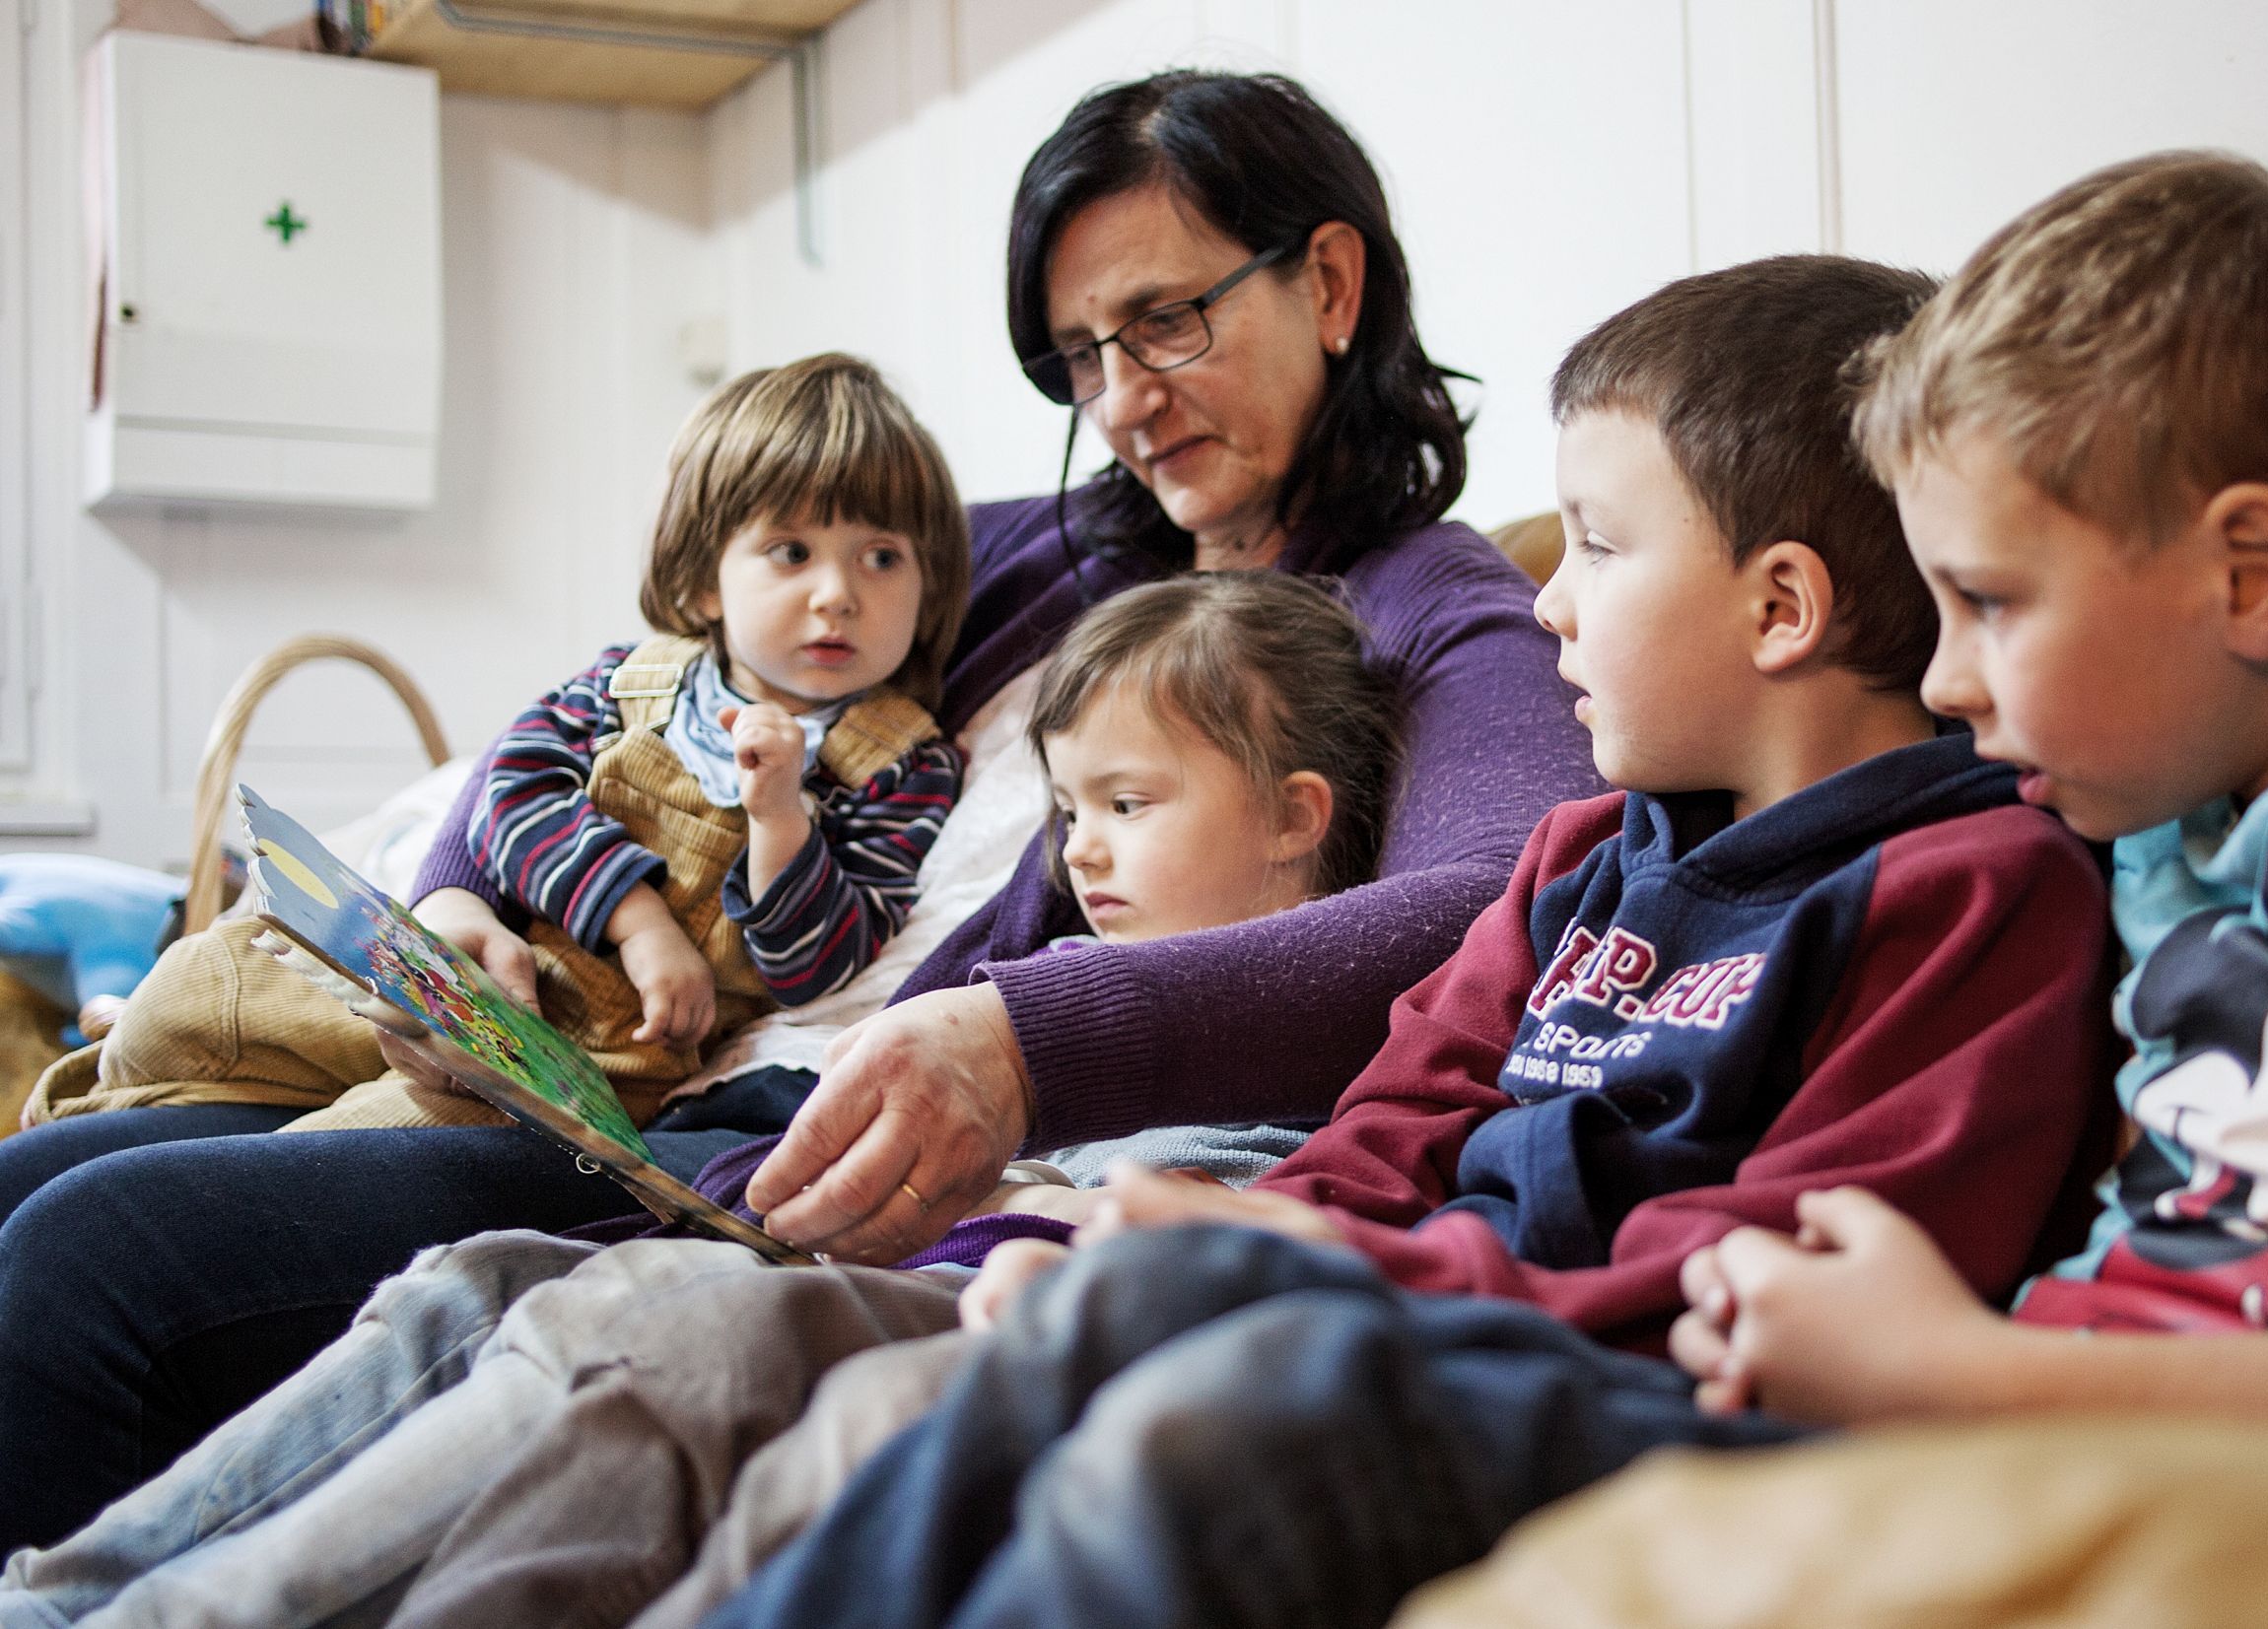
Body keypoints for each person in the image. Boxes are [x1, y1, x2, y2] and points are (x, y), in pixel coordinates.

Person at [714, 153, 2268, 1629]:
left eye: (1987, 602)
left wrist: (1341, 1275)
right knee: (1081, 1319)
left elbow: (1822, 1260)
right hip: (1844, 1366)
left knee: (1254, 1405)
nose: (1950, 675)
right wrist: (1235, 1234)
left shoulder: (2019, 866)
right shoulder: (2141, 831)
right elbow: (1400, 1107)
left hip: (1802, 1385)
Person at [0, 67, 1596, 1550]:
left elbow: (1494, 902)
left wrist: (1027, 1042)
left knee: (97, 1264)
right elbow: (638, 685)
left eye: (1164, 322)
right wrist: (461, 896)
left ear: (1330, 283)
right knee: (32, 1192)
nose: (1121, 401)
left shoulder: (1432, 610)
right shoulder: (1023, 554)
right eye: (1080, 354)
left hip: (758, 1150)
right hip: (630, 1065)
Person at [0, 569, 1409, 1629]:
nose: (1081, 854)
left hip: (900, 1295)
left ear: (1297, 816)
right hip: (750, 1203)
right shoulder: (1048, 969)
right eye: (1069, 811)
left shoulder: (1297, 1058)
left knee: (580, 1319)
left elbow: (1165, 1226)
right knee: (474, 1278)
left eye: (1128, 807)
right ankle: (60, 1598)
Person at [24, 355, 969, 1142]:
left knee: (348, 1145)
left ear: (928, 584)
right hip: (468, 966)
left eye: (882, 557)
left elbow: (821, 964)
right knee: (203, 982)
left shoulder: (902, 762)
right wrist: (638, 919)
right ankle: (85, 1101)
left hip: (592, 1057)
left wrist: (780, 820)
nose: (839, 593)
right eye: (792, 552)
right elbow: (508, 789)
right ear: (707, 580)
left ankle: (152, 1155)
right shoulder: (629, 682)